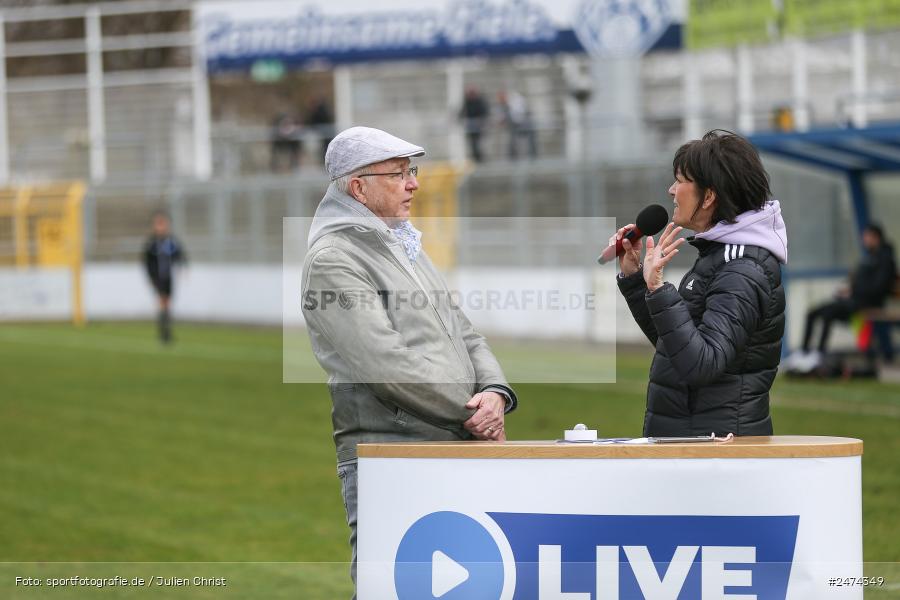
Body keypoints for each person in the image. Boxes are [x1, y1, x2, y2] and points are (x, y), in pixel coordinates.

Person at [301, 126, 517, 599]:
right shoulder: (333, 258)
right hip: (392, 453)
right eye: (398, 174)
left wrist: (496, 394)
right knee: (394, 589)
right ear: (358, 188)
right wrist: (472, 414)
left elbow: (463, 330)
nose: (413, 183)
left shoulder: (402, 244)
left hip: (447, 442)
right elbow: (385, 364)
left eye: (410, 171)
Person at [614, 130, 787, 436]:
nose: (671, 190)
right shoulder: (721, 255)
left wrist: (658, 289)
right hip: (696, 441)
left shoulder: (741, 268)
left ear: (708, 196)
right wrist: (636, 280)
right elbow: (676, 348)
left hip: (714, 450)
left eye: (680, 180)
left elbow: (701, 364)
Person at [786, 224, 897, 372]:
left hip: (866, 303)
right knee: (812, 313)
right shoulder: (869, 257)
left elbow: (879, 288)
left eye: (867, 236)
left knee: (827, 315)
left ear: (876, 237)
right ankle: (804, 353)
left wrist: (854, 291)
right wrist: (848, 290)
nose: (864, 240)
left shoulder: (885, 259)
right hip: (853, 299)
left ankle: (819, 355)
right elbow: (859, 281)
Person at [143, 212, 187, 344]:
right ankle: (164, 333)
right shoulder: (152, 243)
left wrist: (183, 265)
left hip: (168, 277)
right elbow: (147, 261)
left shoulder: (171, 241)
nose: (161, 227)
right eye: (159, 224)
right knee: (163, 302)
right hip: (158, 278)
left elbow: (179, 254)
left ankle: (166, 332)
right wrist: (151, 277)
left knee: (167, 304)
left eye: (163, 224)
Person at [497, 89, 537, 160]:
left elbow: (518, 117)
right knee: (512, 143)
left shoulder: (515, 101)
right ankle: (513, 159)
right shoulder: (504, 106)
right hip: (515, 127)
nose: (500, 100)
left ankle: (533, 158)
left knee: (529, 143)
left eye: (501, 98)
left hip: (524, 125)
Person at [459, 86, 489, 162]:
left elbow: (484, 112)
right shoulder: (467, 101)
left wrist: (481, 121)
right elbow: (462, 112)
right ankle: (476, 159)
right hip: (470, 127)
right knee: (473, 144)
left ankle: (480, 159)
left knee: (479, 144)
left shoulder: (480, 101)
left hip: (479, 128)